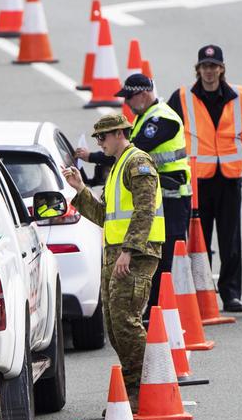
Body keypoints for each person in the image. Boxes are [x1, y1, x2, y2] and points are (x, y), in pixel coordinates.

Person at [62, 114, 163, 403]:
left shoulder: (137, 163)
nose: (99, 143)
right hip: (117, 256)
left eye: (102, 137)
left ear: (120, 133)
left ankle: (147, 389)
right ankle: (137, 388)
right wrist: (80, 189)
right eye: (96, 138)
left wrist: (129, 250)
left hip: (135, 256)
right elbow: (105, 217)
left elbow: (145, 211)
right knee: (115, 324)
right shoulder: (117, 166)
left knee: (126, 321)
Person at [75, 73, 187, 307]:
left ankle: (163, 308)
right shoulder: (143, 119)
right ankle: (157, 308)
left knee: (166, 260)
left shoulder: (161, 118)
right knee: (158, 259)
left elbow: (136, 149)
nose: (127, 102)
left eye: (129, 96)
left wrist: (93, 156)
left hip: (173, 195)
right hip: (160, 197)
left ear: (144, 93)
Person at [167, 45, 242, 313]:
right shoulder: (183, 97)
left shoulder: (240, 96)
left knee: (230, 238)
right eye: (204, 66)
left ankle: (231, 294)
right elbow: (166, 125)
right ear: (197, 69)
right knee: (199, 239)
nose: (209, 71)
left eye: (214, 66)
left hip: (229, 179)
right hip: (197, 181)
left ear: (221, 69)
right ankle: (201, 292)